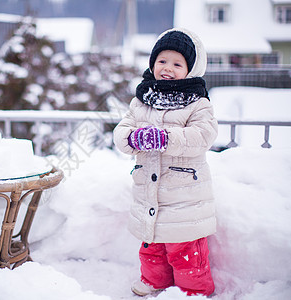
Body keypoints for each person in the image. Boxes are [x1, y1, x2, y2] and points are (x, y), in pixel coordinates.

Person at [113, 28, 217, 297]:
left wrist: (165, 137)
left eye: (176, 63)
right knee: (152, 244)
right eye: (162, 61)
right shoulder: (141, 100)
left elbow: (203, 135)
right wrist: (135, 137)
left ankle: (193, 291)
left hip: (184, 194)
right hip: (149, 191)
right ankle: (153, 280)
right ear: (152, 63)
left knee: (185, 249)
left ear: (190, 69)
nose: (167, 68)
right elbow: (121, 133)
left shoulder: (198, 102)